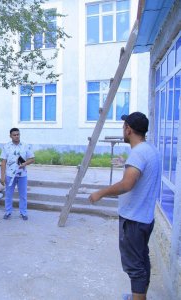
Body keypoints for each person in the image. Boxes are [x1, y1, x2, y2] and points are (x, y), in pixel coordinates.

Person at [88, 112, 161, 300]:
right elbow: (140, 173)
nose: (123, 130)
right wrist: (125, 164)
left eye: (124, 127)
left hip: (134, 221)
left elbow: (126, 185)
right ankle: (139, 295)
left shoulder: (138, 153)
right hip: (144, 218)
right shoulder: (149, 149)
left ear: (128, 129)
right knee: (142, 260)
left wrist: (100, 193)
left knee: (135, 267)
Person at [0, 128, 35, 220]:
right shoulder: (6, 147)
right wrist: (2, 177)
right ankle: (8, 212)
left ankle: (23, 213)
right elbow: (3, 162)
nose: (16, 136)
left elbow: (32, 159)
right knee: (8, 195)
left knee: (23, 195)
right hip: (10, 175)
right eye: (14, 135)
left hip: (22, 175)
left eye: (18, 134)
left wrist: (25, 163)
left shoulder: (25, 146)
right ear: (10, 136)